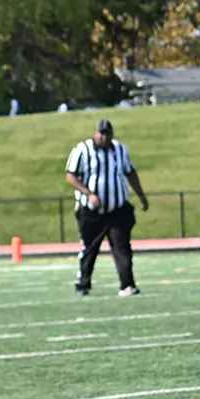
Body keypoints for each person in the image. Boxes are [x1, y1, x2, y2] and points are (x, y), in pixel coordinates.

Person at [66, 118, 150, 297]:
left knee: (122, 247)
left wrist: (142, 196)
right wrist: (89, 194)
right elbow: (71, 176)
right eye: (101, 133)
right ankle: (83, 283)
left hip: (118, 209)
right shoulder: (82, 150)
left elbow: (130, 173)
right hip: (91, 211)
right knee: (89, 248)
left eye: (107, 134)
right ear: (95, 133)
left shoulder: (120, 150)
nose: (104, 137)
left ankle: (127, 284)